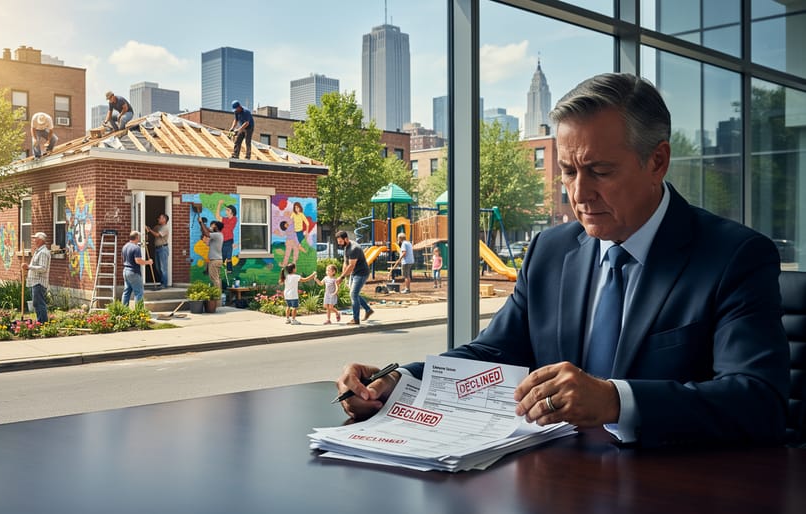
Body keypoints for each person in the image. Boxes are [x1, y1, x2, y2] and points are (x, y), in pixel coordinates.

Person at [335, 73, 790, 448]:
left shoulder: (735, 258)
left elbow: (759, 402)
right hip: (555, 482)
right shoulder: (550, 251)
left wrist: (616, 400)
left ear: (658, 161)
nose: (578, 193)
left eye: (600, 171)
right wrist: (401, 382)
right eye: (568, 172)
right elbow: (493, 353)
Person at [335, 231, 374, 325]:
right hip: (354, 273)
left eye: (340, 241)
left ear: (346, 239)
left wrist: (342, 277)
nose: (339, 243)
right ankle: (368, 310)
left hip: (361, 273)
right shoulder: (346, 247)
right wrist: (342, 275)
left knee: (353, 294)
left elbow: (352, 265)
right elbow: (346, 263)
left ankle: (356, 319)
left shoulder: (354, 248)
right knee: (354, 293)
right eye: (338, 241)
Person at [22, 232, 51, 323]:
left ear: (40, 240)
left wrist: (29, 267)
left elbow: (43, 268)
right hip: (34, 282)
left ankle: (42, 323)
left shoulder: (43, 252)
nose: (34, 240)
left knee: (39, 303)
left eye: (35, 238)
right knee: (36, 303)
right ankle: (40, 321)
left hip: (39, 282)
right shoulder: (38, 251)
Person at [121, 230, 153, 306]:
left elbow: (123, 259)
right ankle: (139, 312)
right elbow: (138, 261)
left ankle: (123, 310)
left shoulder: (125, 246)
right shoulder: (136, 248)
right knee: (139, 292)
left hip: (126, 271)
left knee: (127, 291)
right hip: (133, 272)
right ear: (137, 237)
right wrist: (148, 262)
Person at [145, 213, 170, 289]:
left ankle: (164, 284)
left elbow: (156, 235)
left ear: (164, 219)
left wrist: (149, 230)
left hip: (163, 249)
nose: (158, 219)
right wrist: (147, 228)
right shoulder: (157, 227)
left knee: (163, 268)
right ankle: (161, 282)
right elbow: (151, 230)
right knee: (158, 267)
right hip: (157, 249)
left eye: (160, 218)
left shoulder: (165, 228)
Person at [216, 201, 237, 272]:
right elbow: (217, 217)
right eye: (226, 210)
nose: (226, 211)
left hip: (229, 240)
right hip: (222, 241)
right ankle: (218, 269)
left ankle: (229, 270)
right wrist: (219, 204)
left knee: (228, 256)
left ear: (232, 212)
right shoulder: (225, 219)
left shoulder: (234, 218)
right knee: (223, 256)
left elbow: (228, 228)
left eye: (228, 210)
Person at [203, 220, 224, 290]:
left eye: (214, 226)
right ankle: (218, 296)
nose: (212, 227)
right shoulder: (216, 236)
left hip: (215, 261)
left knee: (215, 279)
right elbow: (206, 241)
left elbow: (206, 233)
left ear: (217, 227)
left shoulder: (217, 235)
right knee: (217, 278)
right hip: (217, 260)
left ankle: (217, 296)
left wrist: (201, 223)